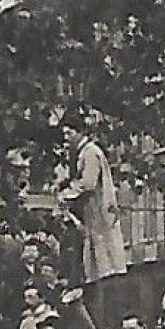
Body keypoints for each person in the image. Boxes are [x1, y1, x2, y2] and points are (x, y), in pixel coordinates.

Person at [56, 108, 128, 284]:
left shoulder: (90, 152)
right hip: (92, 216)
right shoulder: (81, 153)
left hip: (100, 214)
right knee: (95, 258)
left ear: (79, 132)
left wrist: (66, 194)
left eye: (69, 132)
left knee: (103, 258)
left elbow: (88, 183)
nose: (66, 137)